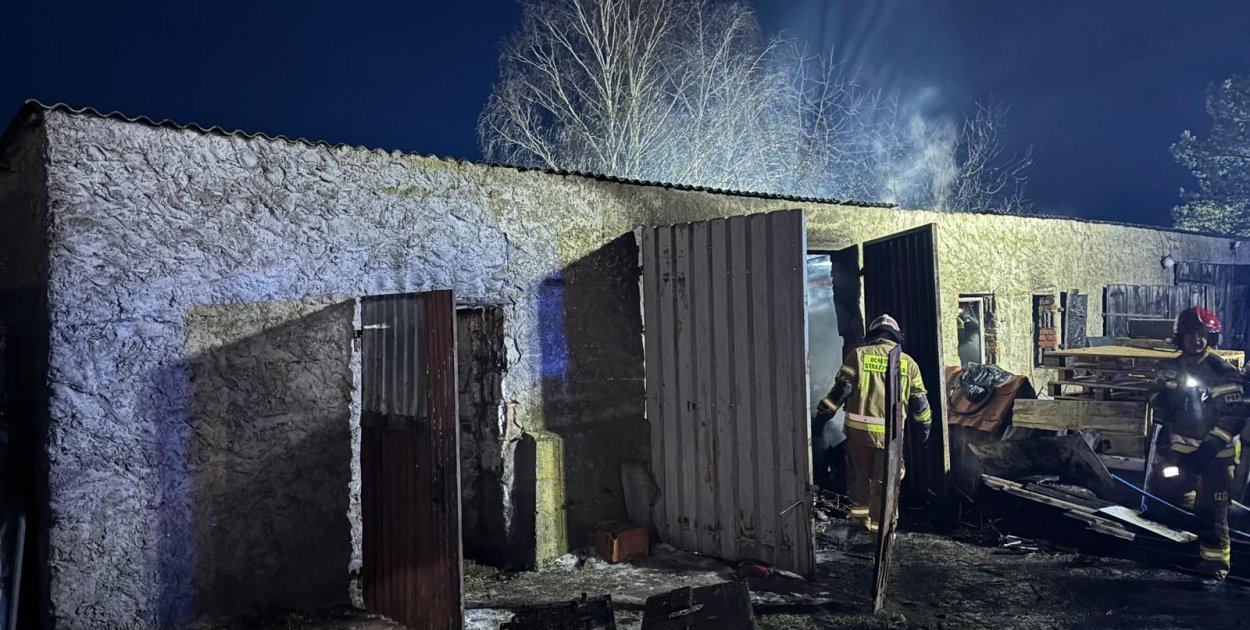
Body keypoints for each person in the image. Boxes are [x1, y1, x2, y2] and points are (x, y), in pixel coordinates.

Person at [812, 314, 932, 532]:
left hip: (859, 435)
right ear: (895, 337)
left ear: (873, 334)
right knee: (885, 484)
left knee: (860, 479)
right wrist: (924, 429)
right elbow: (920, 404)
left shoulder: (857, 355)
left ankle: (859, 523)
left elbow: (841, 392)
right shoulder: (908, 363)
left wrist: (821, 417)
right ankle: (882, 532)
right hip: (891, 438)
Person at [1150, 306, 1245, 581]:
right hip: (1179, 456)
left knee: (1212, 512)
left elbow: (1235, 414)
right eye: (1191, 333)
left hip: (1216, 458)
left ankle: (1215, 570)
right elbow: (1155, 400)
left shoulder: (1220, 370)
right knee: (1169, 501)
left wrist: (1209, 449)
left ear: (1211, 337)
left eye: (1203, 334)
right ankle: (1180, 556)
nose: (1196, 339)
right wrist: (1164, 400)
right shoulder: (1170, 367)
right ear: (1181, 337)